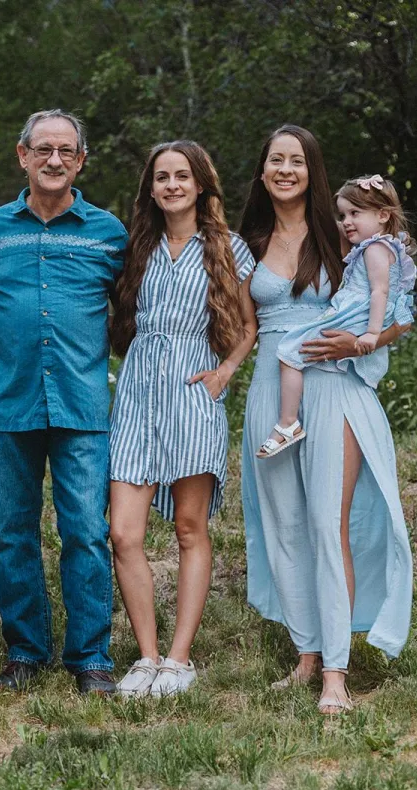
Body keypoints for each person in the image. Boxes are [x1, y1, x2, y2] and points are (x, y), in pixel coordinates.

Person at [238, 125, 414, 714]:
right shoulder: (249, 239)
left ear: (311, 170)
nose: (284, 169)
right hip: (271, 385)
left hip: (333, 388)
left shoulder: (343, 236)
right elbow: (241, 328)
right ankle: (306, 653)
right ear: (262, 171)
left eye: (296, 161)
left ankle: (336, 670)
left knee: (325, 524)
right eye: (275, 160)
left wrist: (361, 345)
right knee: (284, 525)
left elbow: (397, 315)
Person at [0, 109, 128, 696]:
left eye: (65, 151)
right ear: (23, 156)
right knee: (14, 533)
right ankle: (25, 652)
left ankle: (90, 657)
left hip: (82, 404)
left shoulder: (107, 233)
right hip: (6, 404)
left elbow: (135, 307)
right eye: (43, 150)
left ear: (81, 160)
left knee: (86, 531)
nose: (54, 160)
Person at [106, 141, 255, 697]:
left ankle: (179, 659)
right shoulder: (134, 249)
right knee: (124, 532)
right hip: (139, 389)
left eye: (182, 176)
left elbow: (248, 324)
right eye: (161, 177)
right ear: (150, 188)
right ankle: (146, 656)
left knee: (190, 528)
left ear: (200, 185)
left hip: (194, 389)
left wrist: (226, 371)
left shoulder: (228, 248)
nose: (171, 185)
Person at [258, 174, 417, 457]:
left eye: (355, 213)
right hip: (358, 317)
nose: (346, 222)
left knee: (289, 351)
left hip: (354, 317)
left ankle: (288, 423)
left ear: (382, 215)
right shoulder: (381, 247)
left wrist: (370, 332)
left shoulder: (374, 249)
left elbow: (380, 293)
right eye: (343, 214)